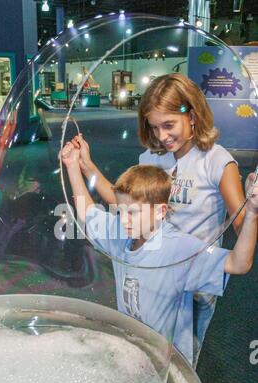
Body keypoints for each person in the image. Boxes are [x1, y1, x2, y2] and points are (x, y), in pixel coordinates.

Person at [68, 73, 249, 365]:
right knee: (143, 345)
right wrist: (87, 168)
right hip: (152, 268)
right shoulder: (152, 159)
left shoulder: (217, 161)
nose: (163, 136)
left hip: (195, 273)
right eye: (155, 127)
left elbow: (242, 224)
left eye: (169, 125)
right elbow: (123, 203)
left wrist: (251, 208)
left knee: (180, 357)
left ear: (191, 116)